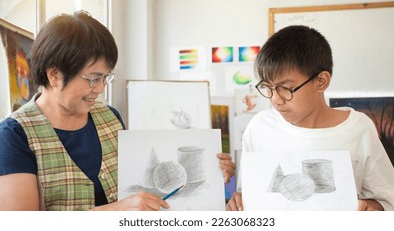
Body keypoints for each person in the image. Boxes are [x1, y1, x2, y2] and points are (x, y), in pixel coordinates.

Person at [0, 11, 235, 211]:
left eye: (106, 78)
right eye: (93, 78)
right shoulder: (14, 135)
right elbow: (22, 224)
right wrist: (116, 210)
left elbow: (138, 187)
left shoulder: (109, 117)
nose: (100, 88)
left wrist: (211, 170)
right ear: (54, 75)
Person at [226, 25, 394, 211]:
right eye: (268, 87)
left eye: (286, 88)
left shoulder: (358, 128)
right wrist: (238, 201)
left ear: (321, 82)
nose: (275, 99)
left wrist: (371, 209)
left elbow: (387, 200)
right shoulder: (259, 128)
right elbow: (248, 195)